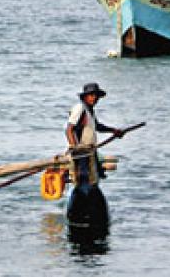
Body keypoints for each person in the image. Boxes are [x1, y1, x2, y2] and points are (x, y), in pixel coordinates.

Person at [63, 82, 123, 232]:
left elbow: (97, 126)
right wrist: (74, 147)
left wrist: (113, 131)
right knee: (84, 180)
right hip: (81, 152)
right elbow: (69, 129)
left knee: (94, 178)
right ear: (85, 97)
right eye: (91, 95)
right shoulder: (80, 108)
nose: (94, 98)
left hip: (89, 151)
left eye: (96, 96)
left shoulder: (89, 111)